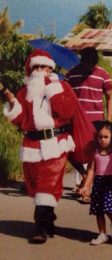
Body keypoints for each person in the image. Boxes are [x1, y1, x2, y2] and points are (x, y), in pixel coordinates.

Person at [2, 49, 78, 243]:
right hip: (31, 144)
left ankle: (40, 228)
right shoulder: (24, 91)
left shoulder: (60, 86)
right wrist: (12, 102)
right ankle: (48, 220)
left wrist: (54, 91)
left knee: (47, 185)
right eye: (36, 66)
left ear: (50, 68)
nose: (39, 70)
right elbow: (19, 120)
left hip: (54, 144)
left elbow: (67, 111)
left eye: (43, 66)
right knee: (36, 188)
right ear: (30, 67)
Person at [65, 47, 112, 193]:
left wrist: (108, 120)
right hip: (76, 121)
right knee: (69, 151)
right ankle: (84, 175)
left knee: (93, 154)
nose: (89, 67)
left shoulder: (103, 74)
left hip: (96, 120)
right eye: (87, 63)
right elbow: (65, 97)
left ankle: (86, 187)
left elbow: (110, 97)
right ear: (82, 60)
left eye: (92, 64)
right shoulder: (71, 74)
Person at [80, 121, 112, 245]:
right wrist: (86, 185)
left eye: (106, 137)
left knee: (109, 209)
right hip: (99, 183)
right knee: (99, 210)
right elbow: (91, 170)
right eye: (100, 137)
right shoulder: (95, 152)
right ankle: (102, 234)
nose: (102, 140)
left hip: (111, 183)